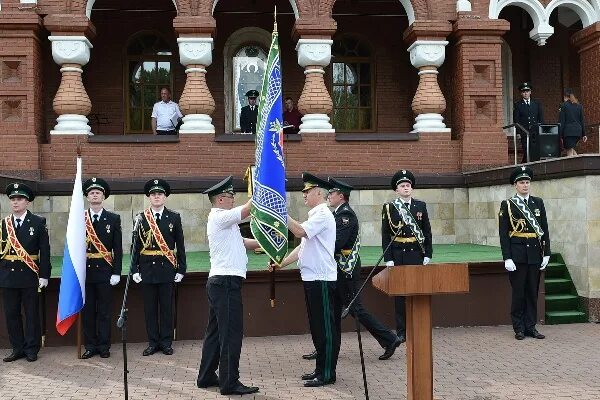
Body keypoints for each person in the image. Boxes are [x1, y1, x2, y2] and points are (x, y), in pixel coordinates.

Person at [302, 177, 402, 362]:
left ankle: (389, 339)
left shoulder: (345, 216)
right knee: (332, 311)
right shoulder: (336, 215)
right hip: (337, 269)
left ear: (341, 196)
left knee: (354, 308)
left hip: (345, 270)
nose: (328, 196)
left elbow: (336, 243)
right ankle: (327, 349)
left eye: (331, 193)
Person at [270, 172, 339, 387]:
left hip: (322, 279)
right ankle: (320, 369)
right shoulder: (314, 215)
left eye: (307, 191)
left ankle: (327, 373)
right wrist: (282, 262)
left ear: (319, 192)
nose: (304, 195)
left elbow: (299, 231)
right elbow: (303, 246)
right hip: (312, 278)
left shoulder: (322, 214)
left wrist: (281, 213)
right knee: (318, 327)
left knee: (326, 329)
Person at [197, 176, 261, 396]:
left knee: (215, 333)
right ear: (221, 199)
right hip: (225, 283)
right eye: (230, 196)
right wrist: (263, 189)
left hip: (221, 282)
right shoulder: (219, 216)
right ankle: (229, 382)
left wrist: (268, 245)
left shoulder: (226, 222)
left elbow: (244, 243)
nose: (233, 199)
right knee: (231, 334)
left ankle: (206, 376)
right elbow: (246, 210)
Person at [131, 179, 186, 356]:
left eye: (160, 194)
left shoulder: (174, 217)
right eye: (153, 194)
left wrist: (181, 269)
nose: (157, 197)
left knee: (166, 309)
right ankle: (153, 342)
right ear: (149, 197)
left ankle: (166, 342)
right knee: (150, 309)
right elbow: (135, 247)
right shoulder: (140, 218)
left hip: (167, 269)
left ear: (165, 197)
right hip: (147, 270)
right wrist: (134, 270)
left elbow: (180, 245)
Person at [0, 182, 51, 362]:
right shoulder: (3, 224)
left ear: (27, 201)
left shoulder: (38, 222)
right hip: (8, 277)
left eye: (19, 199)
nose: (15, 202)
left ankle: (31, 348)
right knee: (12, 314)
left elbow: (45, 251)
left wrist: (45, 275)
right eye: (12, 199)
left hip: (30, 275)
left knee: (31, 314)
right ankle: (17, 348)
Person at [498, 166, 550, 341]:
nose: (525, 185)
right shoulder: (508, 205)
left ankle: (531, 326)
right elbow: (503, 233)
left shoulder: (538, 203)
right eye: (522, 182)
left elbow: (544, 229)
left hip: (535, 254)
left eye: (527, 182)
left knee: (532, 292)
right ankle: (519, 328)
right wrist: (507, 257)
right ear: (515, 185)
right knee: (519, 292)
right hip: (518, 254)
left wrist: (547, 253)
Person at [382, 170, 432, 343]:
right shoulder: (390, 208)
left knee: (416, 292)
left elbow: (427, 232)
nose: (406, 188)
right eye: (402, 186)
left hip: (416, 254)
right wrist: (388, 258)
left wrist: (428, 254)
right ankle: (402, 331)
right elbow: (385, 235)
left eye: (408, 186)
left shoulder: (421, 206)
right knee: (400, 295)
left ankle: (417, 328)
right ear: (396, 190)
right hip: (398, 255)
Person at [81, 177, 123, 359]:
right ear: (87, 197)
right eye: (91, 192)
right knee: (88, 311)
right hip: (85, 272)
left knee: (105, 311)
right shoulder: (79, 219)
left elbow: (118, 248)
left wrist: (116, 272)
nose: (95, 195)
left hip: (105, 271)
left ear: (103, 196)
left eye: (98, 192)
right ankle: (90, 345)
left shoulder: (113, 218)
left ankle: (104, 346)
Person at [513, 82, 544, 162]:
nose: (525, 93)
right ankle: (525, 166)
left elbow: (540, 118)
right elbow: (516, 120)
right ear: (521, 93)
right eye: (523, 92)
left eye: (527, 91)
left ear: (530, 92)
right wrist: (518, 132)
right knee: (526, 151)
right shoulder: (518, 105)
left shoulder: (536, 104)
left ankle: (524, 165)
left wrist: (542, 130)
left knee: (534, 151)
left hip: (535, 132)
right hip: (524, 131)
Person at [559, 88, 587, 157]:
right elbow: (582, 120)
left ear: (565, 97)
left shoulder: (564, 105)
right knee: (571, 148)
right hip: (578, 132)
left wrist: (560, 135)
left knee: (569, 155)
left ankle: (574, 167)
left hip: (568, 133)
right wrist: (584, 134)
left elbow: (562, 122)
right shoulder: (579, 106)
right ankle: (580, 164)